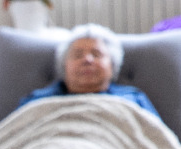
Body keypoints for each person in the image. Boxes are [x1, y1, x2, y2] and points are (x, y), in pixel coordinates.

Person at [18, 23, 158, 119]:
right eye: (78, 55)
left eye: (96, 54)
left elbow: (160, 140)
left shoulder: (134, 99)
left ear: (112, 65)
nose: (87, 60)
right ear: (64, 65)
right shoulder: (36, 102)